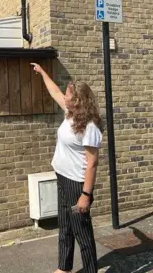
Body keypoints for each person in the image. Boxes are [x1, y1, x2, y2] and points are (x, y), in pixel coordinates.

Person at [31, 63, 104, 273]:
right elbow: (54, 91)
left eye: (69, 96)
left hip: (76, 184)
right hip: (62, 177)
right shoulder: (69, 114)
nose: (65, 97)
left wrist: (85, 195)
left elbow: (92, 163)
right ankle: (64, 268)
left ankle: (91, 270)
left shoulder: (90, 127)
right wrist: (43, 72)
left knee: (82, 232)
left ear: (78, 101)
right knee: (64, 227)